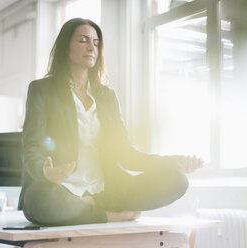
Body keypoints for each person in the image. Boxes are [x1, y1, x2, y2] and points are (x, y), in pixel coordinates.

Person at [18, 18, 204, 226]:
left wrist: (171, 161)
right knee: (38, 201)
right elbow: (32, 146)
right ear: (65, 46)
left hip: (106, 190)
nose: (91, 47)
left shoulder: (107, 97)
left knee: (177, 181)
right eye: (83, 40)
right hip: (60, 189)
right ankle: (109, 215)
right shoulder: (42, 90)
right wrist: (45, 172)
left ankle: (90, 204)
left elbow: (125, 153)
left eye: (96, 43)